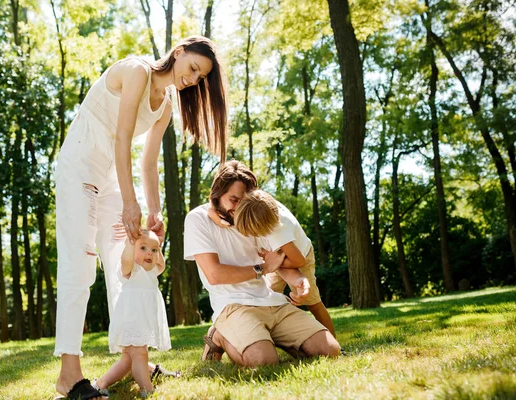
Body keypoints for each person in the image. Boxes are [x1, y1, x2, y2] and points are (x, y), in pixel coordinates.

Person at [54, 36, 227, 400]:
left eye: (200, 78)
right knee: (79, 266)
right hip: (81, 166)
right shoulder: (136, 71)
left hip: (112, 178)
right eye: (193, 68)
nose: (192, 79)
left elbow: (149, 162)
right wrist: (129, 202)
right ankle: (69, 375)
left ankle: (136, 359)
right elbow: (121, 136)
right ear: (178, 52)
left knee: (126, 266)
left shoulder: (165, 106)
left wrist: (153, 208)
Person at [184, 161, 341, 367]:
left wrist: (301, 281)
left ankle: (263, 336)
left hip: (271, 301)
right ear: (217, 193)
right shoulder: (197, 219)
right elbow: (215, 275)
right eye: (234, 200)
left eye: (245, 201)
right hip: (233, 306)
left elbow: (278, 262)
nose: (239, 208)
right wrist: (262, 269)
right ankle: (219, 335)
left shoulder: (253, 215)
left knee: (330, 350)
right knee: (263, 361)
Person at [234, 189, 337, 337]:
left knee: (313, 302)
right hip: (279, 257)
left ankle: (334, 341)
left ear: (265, 227)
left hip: (301, 258)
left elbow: (298, 260)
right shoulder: (261, 204)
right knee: (268, 297)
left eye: (255, 232)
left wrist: (275, 263)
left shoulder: (278, 232)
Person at [92, 230, 171, 398]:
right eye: (143, 248)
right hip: (132, 319)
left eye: (154, 250)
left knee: (128, 360)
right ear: (132, 250)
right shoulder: (131, 270)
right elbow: (126, 260)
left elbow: (162, 265)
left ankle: (102, 383)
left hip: (141, 320)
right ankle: (146, 388)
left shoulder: (151, 271)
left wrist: (159, 247)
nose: (149, 253)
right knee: (140, 354)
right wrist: (130, 243)